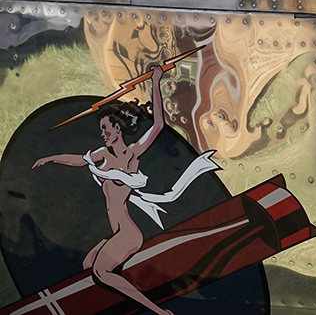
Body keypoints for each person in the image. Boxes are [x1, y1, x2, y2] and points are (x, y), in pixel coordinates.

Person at [32, 65, 217, 315]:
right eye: (101, 131)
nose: (103, 134)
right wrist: (52, 157)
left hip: (129, 233)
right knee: (88, 265)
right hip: (115, 231)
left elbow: (158, 125)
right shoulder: (102, 155)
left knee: (100, 271)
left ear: (118, 129)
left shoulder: (132, 155)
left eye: (106, 129)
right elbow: (79, 159)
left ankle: (158, 311)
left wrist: (156, 80)